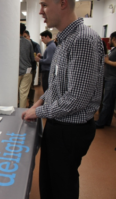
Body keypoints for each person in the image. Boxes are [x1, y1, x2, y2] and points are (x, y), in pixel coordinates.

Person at [22, 0, 104, 198]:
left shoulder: (82, 40)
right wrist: (41, 100)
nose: (40, 11)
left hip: (70, 130)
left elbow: (77, 98)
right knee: (49, 183)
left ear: (63, 3)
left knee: (62, 187)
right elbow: (59, 83)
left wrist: (39, 112)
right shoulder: (66, 39)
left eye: (44, 5)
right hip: (59, 123)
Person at [95, 31, 116, 129]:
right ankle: (106, 121)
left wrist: (107, 61)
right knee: (110, 102)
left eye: (110, 39)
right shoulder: (113, 50)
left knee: (107, 102)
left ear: (114, 39)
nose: (109, 41)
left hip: (112, 79)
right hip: (109, 78)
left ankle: (101, 123)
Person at [23, 30, 41, 108]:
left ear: (29, 36)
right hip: (23, 69)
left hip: (32, 68)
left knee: (31, 86)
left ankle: (31, 102)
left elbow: (37, 56)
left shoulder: (35, 45)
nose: (24, 38)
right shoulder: (21, 45)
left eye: (25, 36)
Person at [18, 23, 35, 108]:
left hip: (15, 72)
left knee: (13, 93)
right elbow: (32, 58)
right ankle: (21, 113)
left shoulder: (11, 42)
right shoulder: (28, 43)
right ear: (24, 31)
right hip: (27, 71)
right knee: (23, 94)